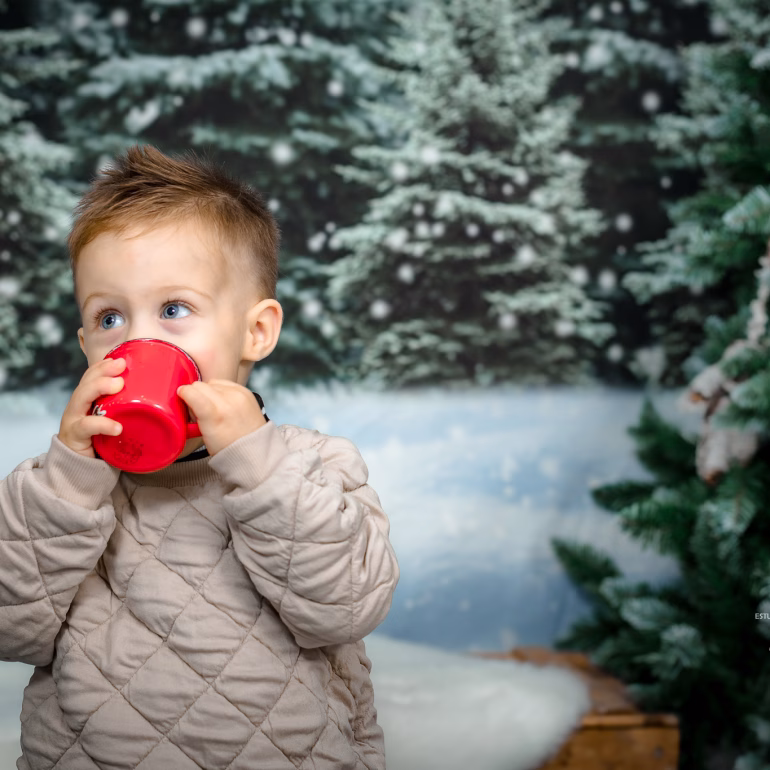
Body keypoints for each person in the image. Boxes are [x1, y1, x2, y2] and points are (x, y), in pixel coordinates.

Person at [0, 145, 399, 769]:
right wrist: (71, 481)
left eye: (174, 309)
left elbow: (345, 607)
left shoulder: (311, 466)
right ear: (85, 346)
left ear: (255, 332)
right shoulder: (56, 487)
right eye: (109, 316)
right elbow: (10, 628)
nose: (138, 341)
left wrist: (256, 465)